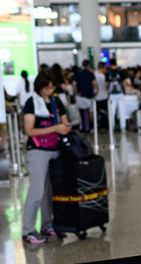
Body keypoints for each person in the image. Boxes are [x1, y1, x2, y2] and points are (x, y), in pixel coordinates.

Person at [21, 73, 70, 244]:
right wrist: (55, 128)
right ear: (39, 87)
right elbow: (29, 131)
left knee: (50, 190)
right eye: (46, 88)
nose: (50, 91)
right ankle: (28, 230)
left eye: (52, 87)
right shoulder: (31, 103)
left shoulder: (56, 102)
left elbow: (65, 122)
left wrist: (64, 127)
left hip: (55, 149)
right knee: (37, 190)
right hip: (38, 151)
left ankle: (47, 224)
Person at [73, 60, 96, 132]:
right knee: (90, 112)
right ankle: (90, 127)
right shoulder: (90, 74)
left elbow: (74, 84)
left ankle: (82, 127)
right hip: (89, 95)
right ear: (89, 65)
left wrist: (76, 92)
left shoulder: (78, 74)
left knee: (81, 112)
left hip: (80, 95)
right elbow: (94, 83)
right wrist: (97, 91)